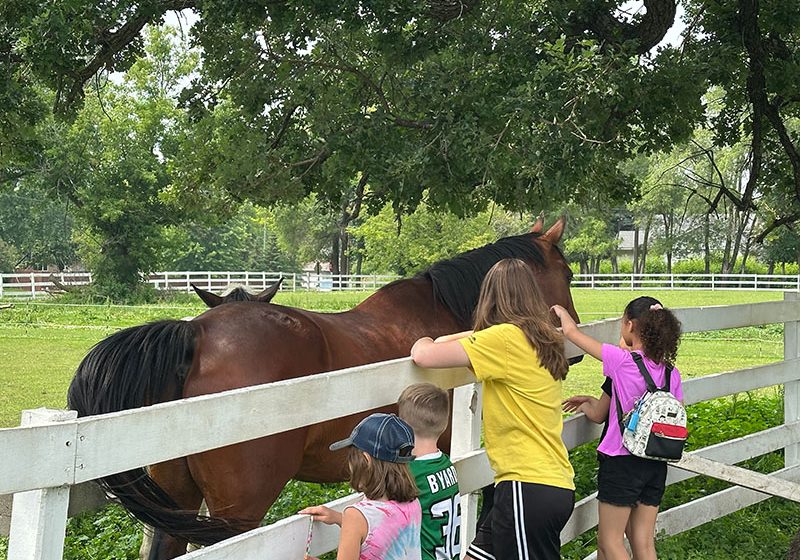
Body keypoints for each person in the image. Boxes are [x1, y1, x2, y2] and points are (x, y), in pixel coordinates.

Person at [411, 257, 575, 560]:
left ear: (490, 296)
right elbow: (472, 338)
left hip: (526, 487)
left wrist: (422, 337)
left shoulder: (504, 340)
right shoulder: (541, 337)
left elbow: (424, 355)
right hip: (542, 484)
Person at [552, 296, 683, 560]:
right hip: (656, 462)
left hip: (622, 462)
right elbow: (607, 412)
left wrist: (560, 311)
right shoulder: (671, 373)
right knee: (644, 543)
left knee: (610, 542)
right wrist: (589, 402)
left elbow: (572, 334)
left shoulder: (622, 361)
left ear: (631, 326)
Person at [300, 413, 422, 560]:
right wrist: (339, 518)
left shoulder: (355, 516)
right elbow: (382, 528)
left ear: (366, 459)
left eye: (352, 458)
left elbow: (365, 524)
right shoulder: (413, 504)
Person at [398, 383, 462, 560]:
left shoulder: (410, 473)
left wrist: (339, 518)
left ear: (403, 427)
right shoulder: (446, 464)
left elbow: (382, 521)